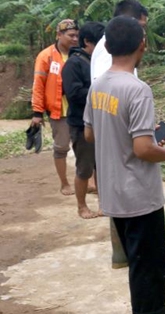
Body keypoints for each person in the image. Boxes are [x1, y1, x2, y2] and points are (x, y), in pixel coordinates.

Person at [84, 15, 165, 314]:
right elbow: (143, 148)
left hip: (114, 190)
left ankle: (153, 308)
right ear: (141, 46)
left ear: (107, 46)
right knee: (147, 259)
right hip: (138, 191)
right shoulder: (137, 90)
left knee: (141, 256)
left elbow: (90, 134)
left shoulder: (98, 85)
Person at [91, 1, 165, 274]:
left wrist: (141, 128)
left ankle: (124, 256)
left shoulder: (102, 76)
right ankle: (145, 296)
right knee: (145, 246)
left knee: (129, 229)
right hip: (133, 180)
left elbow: (96, 123)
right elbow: (141, 148)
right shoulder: (134, 86)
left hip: (112, 165)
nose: (143, 34)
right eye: (142, 28)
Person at [62, 21, 105, 219]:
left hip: (100, 122)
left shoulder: (96, 61)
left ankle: (103, 204)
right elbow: (73, 93)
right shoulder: (74, 64)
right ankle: (81, 207)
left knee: (101, 166)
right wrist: (100, 92)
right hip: (81, 124)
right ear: (87, 42)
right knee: (85, 168)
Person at [31, 18, 79, 196]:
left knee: (83, 147)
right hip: (59, 111)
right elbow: (38, 84)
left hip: (79, 110)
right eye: (71, 35)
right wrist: (37, 112)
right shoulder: (46, 56)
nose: (75, 39)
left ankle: (87, 181)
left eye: (77, 36)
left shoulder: (79, 54)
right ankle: (64, 183)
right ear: (59, 35)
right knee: (61, 148)